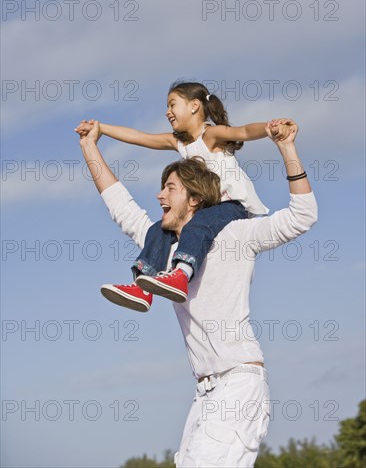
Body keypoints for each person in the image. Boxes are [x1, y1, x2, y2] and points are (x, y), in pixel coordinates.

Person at [77, 119, 317, 468]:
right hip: (205, 393)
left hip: (237, 383)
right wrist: (89, 146)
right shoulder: (163, 250)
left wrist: (288, 149)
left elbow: (302, 216)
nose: (159, 196)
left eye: (169, 188)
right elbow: (120, 205)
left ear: (193, 200)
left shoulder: (235, 236)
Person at [75, 81, 294, 312]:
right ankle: (143, 287)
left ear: (194, 106)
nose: (167, 112)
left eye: (172, 104)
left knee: (196, 225)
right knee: (160, 229)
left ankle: (181, 273)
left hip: (232, 205)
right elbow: (139, 137)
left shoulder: (210, 134)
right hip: (204, 208)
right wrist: (100, 128)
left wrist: (270, 128)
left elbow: (244, 131)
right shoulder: (178, 142)